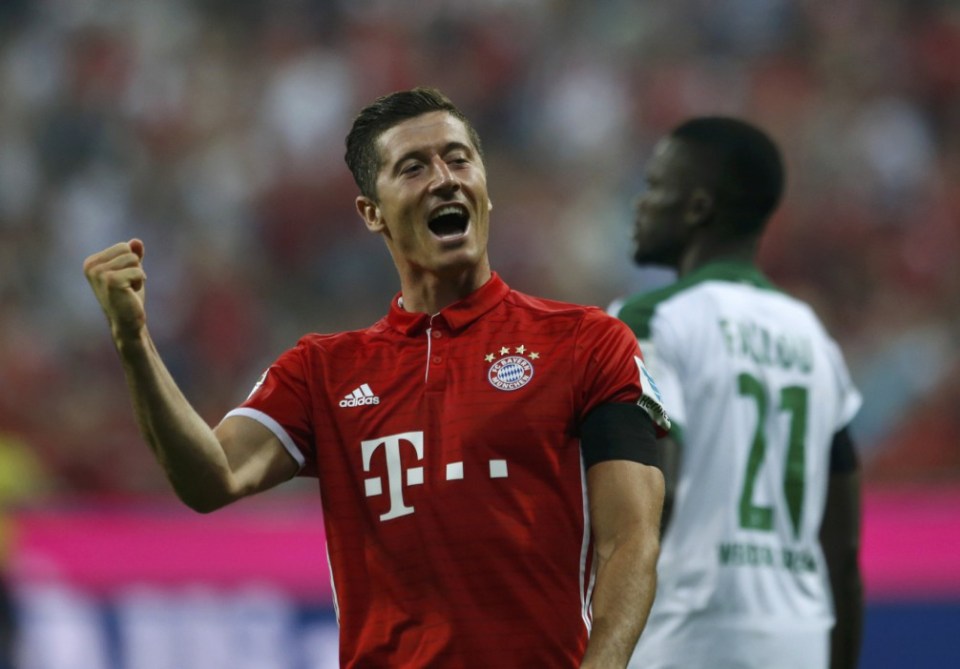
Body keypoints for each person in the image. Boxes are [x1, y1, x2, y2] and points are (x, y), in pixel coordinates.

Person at [84, 87, 670, 668]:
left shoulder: (585, 341)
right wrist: (135, 345)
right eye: (413, 167)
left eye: (459, 158)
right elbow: (212, 477)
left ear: (486, 190)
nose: (445, 178)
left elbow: (632, 540)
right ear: (372, 213)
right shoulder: (322, 371)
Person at [609, 117, 863, 669]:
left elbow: (656, 489)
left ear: (697, 208)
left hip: (685, 638)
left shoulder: (652, 319)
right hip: (799, 641)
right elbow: (842, 551)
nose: (640, 203)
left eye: (654, 186)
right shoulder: (814, 338)